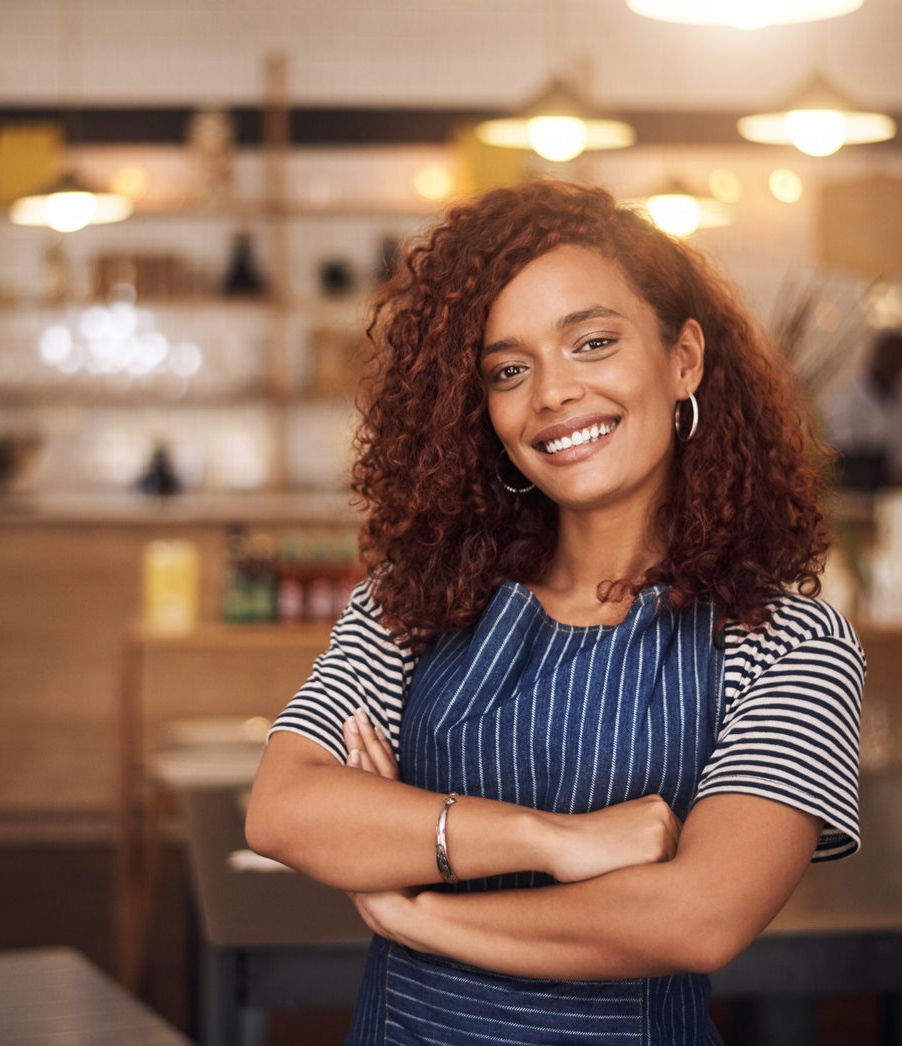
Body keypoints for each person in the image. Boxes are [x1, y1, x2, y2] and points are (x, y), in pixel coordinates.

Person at [245, 180, 864, 1045]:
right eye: (509, 369)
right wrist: (554, 841)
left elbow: (699, 916)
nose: (553, 394)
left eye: (593, 342)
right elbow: (284, 809)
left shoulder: (787, 642)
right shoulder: (415, 600)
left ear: (683, 359)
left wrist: (419, 913)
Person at [821, 329, 902, 489]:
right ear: (876, 356)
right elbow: (842, 461)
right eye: (891, 357)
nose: (895, 365)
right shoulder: (846, 403)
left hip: (901, 499)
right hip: (858, 500)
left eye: (901, 361)